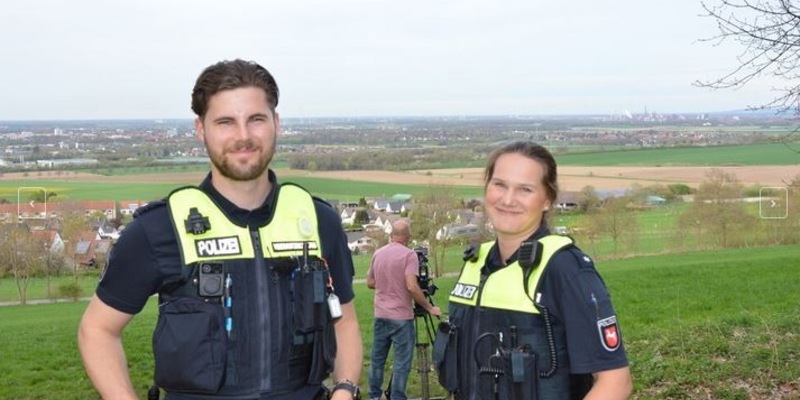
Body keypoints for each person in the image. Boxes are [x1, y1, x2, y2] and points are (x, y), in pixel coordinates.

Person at [78, 59, 363, 400]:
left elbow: (345, 321)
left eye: (256, 119)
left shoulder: (318, 221)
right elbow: (97, 329)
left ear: (276, 123)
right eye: (225, 122)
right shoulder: (158, 229)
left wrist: (345, 389)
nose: (243, 136)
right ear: (201, 129)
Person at [433, 141, 632, 400]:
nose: (507, 199)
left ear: (547, 199)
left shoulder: (565, 268)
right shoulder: (475, 263)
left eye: (525, 189)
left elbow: (615, 383)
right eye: (500, 184)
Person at [366, 219, 441, 400]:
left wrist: (388, 284)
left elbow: (370, 282)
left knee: (377, 360)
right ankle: (397, 397)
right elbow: (412, 286)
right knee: (401, 363)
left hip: (380, 314)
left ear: (391, 235)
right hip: (401, 317)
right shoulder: (409, 255)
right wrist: (430, 307)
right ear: (408, 237)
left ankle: (374, 396)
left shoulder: (378, 253)